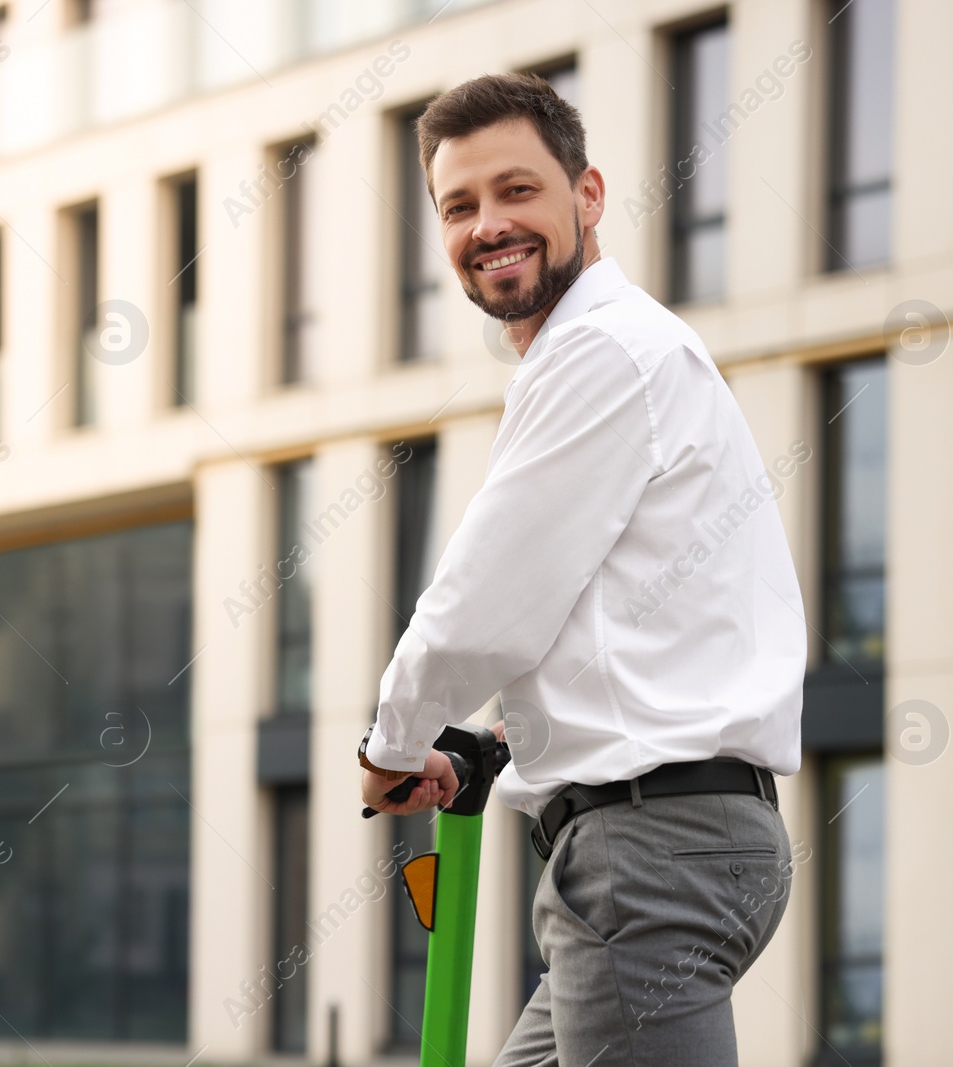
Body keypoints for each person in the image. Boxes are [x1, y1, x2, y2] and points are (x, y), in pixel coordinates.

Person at [357, 73, 807, 1067]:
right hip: (654, 845)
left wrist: (392, 740)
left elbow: (484, 604)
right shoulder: (616, 352)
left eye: (517, 190)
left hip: (650, 854)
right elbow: (609, 622)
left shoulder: (602, 352)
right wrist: (497, 736)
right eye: (459, 205)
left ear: (588, 195)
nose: (488, 224)